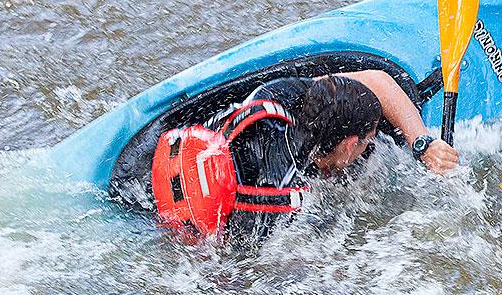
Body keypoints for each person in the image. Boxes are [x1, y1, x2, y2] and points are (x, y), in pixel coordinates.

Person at [116, 70, 458, 246]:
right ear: (349, 145)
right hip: (173, 222)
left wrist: (422, 143)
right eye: (366, 142)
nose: (368, 149)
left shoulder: (282, 95)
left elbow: (377, 82)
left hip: (152, 169)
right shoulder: (283, 193)